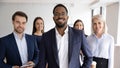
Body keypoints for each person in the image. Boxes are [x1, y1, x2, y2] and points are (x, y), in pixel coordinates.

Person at [38, 4, 92, 68]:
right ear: (53, 18)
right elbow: (42, 61)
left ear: (67, 17)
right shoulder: (46, 36)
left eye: (63, 14)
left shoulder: (78, 34)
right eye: (57, 14)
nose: (60, 16)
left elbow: (89, 57)